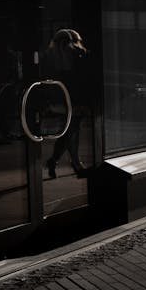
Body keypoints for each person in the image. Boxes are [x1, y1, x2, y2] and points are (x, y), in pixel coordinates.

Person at [42, 29, 90, 179]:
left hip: (58, 102)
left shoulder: (48, 56)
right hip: (74, 102)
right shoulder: (79, 54)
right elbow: (81, 82)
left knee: (69, 132)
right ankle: (74, 163)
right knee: (72, 132)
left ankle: (57, 161)